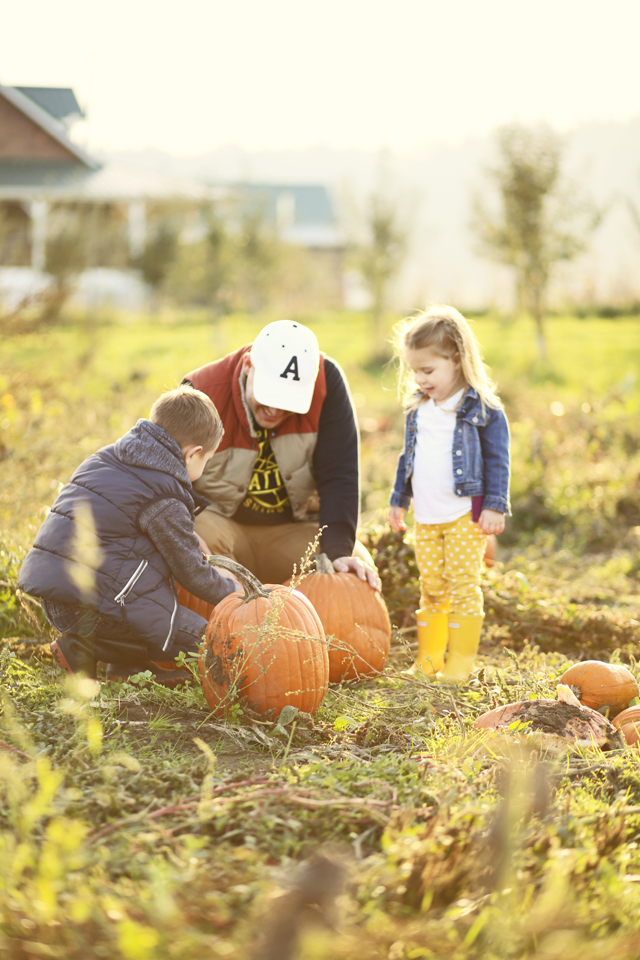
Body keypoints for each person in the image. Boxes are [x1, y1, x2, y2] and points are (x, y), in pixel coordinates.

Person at [18, 386, 240, 685]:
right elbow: (192, 573)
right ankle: (80, 648)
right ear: (194, 454)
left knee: (144, 592)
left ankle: (126, 669)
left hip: (59, 595)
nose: (204, 467)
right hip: (86, 606)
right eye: (207, 461)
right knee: (206, 638)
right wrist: (236, 595)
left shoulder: (110, 457)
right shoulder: (163, 495)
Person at [182, 319, 380, 589]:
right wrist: (186, 535)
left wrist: (339, 552)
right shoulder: (201, 391)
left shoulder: (327, 384)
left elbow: (339, 476)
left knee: (352, 570)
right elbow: (168, 479)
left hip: (293, 530)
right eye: (269, 395)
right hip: (221, 526)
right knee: (192, 536)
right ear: (248, 365)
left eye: (287, 400)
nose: (275, 410)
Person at [388, 305, 510, 681]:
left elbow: (498, 460)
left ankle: (459, 663)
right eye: (415, 372)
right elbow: (408, 458)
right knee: (432, 586)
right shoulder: (418, 410)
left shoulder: (482, 409)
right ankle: (428, 660)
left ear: (456, 360)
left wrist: (494, 505)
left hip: (464, 516)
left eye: (428, 371)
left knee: (462, 586)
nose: (421, 380)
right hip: (426, 517)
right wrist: (398, 500)